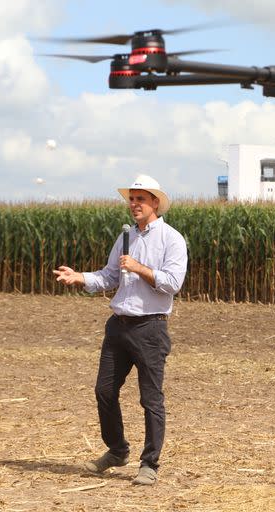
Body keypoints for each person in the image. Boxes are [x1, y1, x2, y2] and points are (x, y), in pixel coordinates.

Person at [53, 174, 188, 486]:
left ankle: (150, 463)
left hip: (150, 328)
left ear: (155, 202)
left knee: (151, 399)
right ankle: (117, 450)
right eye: (131, 198)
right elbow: (109, 276)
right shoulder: (125, 236)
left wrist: (139, 267)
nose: (134, 204)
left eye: (141, 199)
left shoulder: (172, 239)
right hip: (118, 327)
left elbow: (172, 283)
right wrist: (81, 278)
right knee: (104, 390)